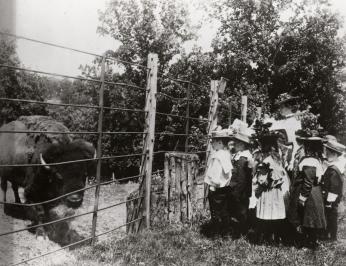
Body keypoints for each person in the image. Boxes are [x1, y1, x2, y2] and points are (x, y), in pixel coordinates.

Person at [251, 120, 290, 244]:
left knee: (267, 214)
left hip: (268, 191)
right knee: (275, 214)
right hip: (277, 191)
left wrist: (257, 187)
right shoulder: (277, 159)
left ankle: (266, 238)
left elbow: (263, 180)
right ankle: (276, 238)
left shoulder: (266, 161)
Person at [287, 131, 326, 249]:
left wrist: (302, 197)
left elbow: (308, 180)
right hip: (314, 192)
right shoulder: (316, 160)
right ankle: (311, 242)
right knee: (308, 218)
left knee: (306, 218)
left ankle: (307, 243)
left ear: (308, 147)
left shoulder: (309, 161)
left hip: (308, 193)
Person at [201, 126, 233, 237]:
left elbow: (216, 173)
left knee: (216, 212)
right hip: (225, 188)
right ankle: (225, 232)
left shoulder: (217, 156)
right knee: (224, 211)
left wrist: (213, 185)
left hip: (217, 188)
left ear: (220, 142)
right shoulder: (226, 154)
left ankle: (216, 233)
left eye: (213, 141)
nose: (211, 144)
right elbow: (228, 173)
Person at [228, 119, 254, 237]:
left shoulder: (243, 158)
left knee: (242, 210)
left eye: (237, 143)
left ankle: (242, 230)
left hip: (240, 189)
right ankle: (240, 228)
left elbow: (242, 177)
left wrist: (237, 190)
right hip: (239, 188)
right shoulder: (240, 156)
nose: (235, 145)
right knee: (239, 209)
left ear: (243, 145)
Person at [321, 138, 346, 241]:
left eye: (328, 152)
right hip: (330, 197)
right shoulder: (334, 166)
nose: (326, 154)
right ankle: (328, 234)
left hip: (331, 198)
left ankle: (332, 237)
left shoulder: (334, 169)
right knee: (329, 215)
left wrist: (329, 201)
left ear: (335, 154)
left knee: (332, 216)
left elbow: (334, 187)